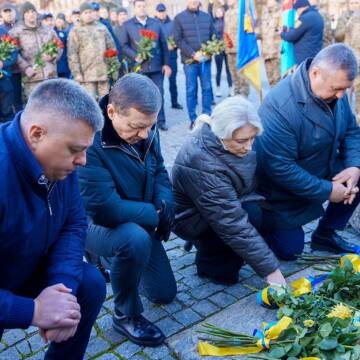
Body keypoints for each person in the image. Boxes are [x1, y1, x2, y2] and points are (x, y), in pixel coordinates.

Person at [0, 78, 106, 359]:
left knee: (90, 284)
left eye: (85, 149)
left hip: (25, 265)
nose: (83, 160)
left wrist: (62, 296)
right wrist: (34, 311)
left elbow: (73, 224)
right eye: (75, 149)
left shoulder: (59, 165)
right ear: (36, 134)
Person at [78, 73, 176, 347]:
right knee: (133, 239)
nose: (144, 134)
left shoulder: (144, 127)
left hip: (138, 219)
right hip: (94, 223)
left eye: (150, 126)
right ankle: (125, 315)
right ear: (111, 111)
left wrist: (166, 204)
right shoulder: (89, 141)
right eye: (136, 127)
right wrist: (154, 215)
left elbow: (159, 170)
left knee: (163, 293)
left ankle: (115, 260)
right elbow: (104, 209)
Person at [255, 44, 360, 260]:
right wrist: (328, 190)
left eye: (345, 89)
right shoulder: (280, 107)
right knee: (290, 251)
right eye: (336, 89)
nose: (341, 96)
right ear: (315, 73)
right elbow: (280, 169)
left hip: (321, 165)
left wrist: (353, 166)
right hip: (282, 193)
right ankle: (258, 228)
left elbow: (351, 130)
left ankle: (325, 234)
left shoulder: (334, 91)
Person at [171, 96, 286, 286]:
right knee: (226, 274)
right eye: (242, 141)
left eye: (252, 138)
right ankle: (209, 263)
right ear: (222, 134)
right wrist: (271, 271)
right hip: (192, 218)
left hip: (224, 202)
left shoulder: (226, 142)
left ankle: (226, 252)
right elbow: (230, 221)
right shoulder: (202, 161)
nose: (249, 147)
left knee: (261, 214)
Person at [119, 0, 171, 131]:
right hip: (139, 67)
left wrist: (166, 64)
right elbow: (123, 45)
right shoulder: (127, 25)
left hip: (156, 66)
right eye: (139, 6)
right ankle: (142, 122)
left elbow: (163, 44)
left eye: (143, 6)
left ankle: (160, 121)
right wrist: (135, 56)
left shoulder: (155, 23)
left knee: (158, 94)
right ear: (134, 8)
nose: (142, 8)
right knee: (140, 96)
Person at [174, 0, 215, 129]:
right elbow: (178, 40)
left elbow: (213, 36)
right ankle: (193, 118)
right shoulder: (179, 18)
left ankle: (207, 117)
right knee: (191, 90)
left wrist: (210, 51)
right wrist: (193, 54)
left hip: (205, 61)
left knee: (207, 89)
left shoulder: (207, 17)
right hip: (190, 62)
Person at [10, 2, 62, 101]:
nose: (31, 14)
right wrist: (25, 67)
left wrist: (53, 56)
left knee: (55, 107)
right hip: (32, 78)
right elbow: (14, 54)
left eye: (33, 11)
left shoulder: (48, 30)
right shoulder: (16, 32)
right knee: (36, 109)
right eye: (27, 12)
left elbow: (59, 46)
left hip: (51, 76)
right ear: (23, 15)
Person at [68, 2, 117, 99]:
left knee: (105, 102)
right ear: (81, 14)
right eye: (85, 13)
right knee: (89, 103)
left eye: (90, 12)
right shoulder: (75, 30)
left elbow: (112, 48)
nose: (88, 15)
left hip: (103, 73)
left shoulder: (102, 28)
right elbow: (72, 54)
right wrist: (77, 73)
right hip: (86, 75)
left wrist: (113, 68)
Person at [155, 3, 183, 110]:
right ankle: (158, 107)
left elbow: (178, 37)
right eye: (159, 11)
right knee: (159, 85)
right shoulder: (153, 24)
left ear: (166, 11)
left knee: (173, 82)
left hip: (171, 57)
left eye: (163, 11)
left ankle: (174, 102)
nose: (161, 14)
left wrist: (174, 45)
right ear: (156, 13)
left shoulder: (173, 24)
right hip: (159, 59)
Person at [280, 0, 324, 66]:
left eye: (297, 10)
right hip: (315, 55)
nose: (297, 12)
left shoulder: (304, 18)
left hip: (304, 58)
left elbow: (291, 37)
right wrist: (289, 29)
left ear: (302, 7)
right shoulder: (318, 16)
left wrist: (281, 33)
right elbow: (304, 31)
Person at [224, 0, 249, 97]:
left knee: (242, 75)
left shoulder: (243, 11)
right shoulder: (227, 13)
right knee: (233, 74)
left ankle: (243, 95)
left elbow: (248, 30)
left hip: (240, 49)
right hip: (230, 49)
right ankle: (236, 93)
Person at [0, 3, 22, 112]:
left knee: (16, 101)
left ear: (15, 12)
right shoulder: (2, 29)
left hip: (22, 71)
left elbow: (13, 52)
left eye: (10, 11)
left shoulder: (22, 26)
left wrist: (3, 63)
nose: (8, 14)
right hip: (7, 73)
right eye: (5, 11)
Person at [208, 3, 232, 97]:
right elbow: (209, 12)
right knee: (219, 70)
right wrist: (210, 4)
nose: (219, 13)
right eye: (217, 11)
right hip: (218, 49)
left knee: (228, 69)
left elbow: (227, 8)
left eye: (221, 11)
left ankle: (231, 89)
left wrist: (224, 3)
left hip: (227, 48)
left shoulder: (226, 20)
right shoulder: (213, 21)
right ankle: (218, 89)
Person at [260, 0, 282, 87]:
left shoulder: (281, 12)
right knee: (270, 80)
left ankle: (279, 100)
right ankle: (273, 99)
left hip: (276, 53)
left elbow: (283, 31)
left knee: (278, 81)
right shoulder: (265, 12)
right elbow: (262, 32)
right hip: (266, 52)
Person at [0, 25, 16, 122]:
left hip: (3, 79)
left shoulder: (2, 31)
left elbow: (13, 52)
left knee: (8, 112)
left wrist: (3, 63)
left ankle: (8, 135)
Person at [54, 13, 71, 79]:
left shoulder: (65, 33)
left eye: (61, 20)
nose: (59, 21)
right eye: (58, 19)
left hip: (64, 63)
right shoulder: (52, 32)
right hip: (56, 64)